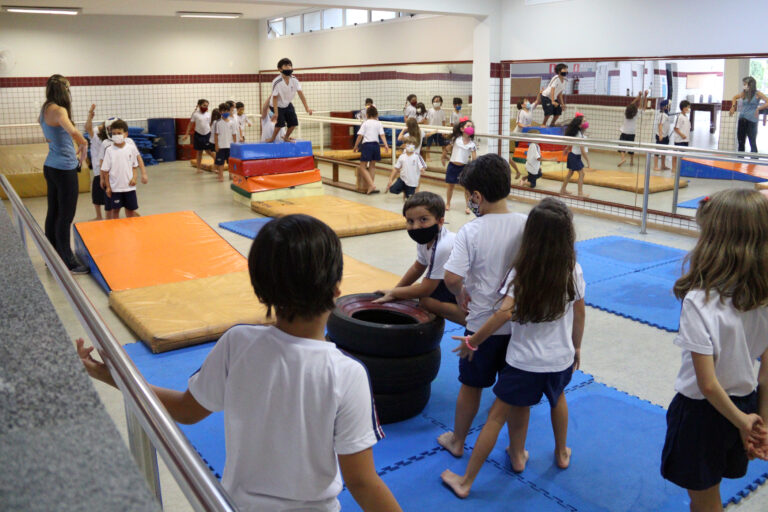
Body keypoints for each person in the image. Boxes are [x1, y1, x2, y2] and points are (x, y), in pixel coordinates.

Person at [76, 214, 403, 512]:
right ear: (336, 288)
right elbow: (362, 482)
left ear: (261, 291)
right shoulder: (347, 374)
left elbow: (187, 411)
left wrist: (114, 377)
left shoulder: (238, 343)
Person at [441, 197, 585, 498]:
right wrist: (576, 347)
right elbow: (580, 311)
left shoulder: (523, 273)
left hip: (524, 363)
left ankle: (465, 482)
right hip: (560, 358)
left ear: (530, 235)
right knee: (558, 399)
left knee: (496, 417)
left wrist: (473, 341)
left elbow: (503, 314)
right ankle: (561, 453)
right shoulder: (572, 269)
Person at [660, 189, 768, 511]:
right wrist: (759, 421)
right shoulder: (763, 298)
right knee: (709, 487)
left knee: (705, 497)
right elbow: (766, 374)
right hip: (744, 404)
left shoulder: (700, 301)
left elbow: (707, 384)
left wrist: (744, 423)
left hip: (703, 415)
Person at [437, 154, 528, 458]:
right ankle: (517, 453)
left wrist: (459, 292)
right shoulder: (527, 224)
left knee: (471, 386)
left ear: (476, 196)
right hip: (518, 327)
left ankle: (458, 441)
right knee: (516, 396)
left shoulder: (472, 230)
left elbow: (452, 277)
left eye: (468, 195)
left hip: (480, 328)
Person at [373, 192, 466, 325]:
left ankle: (475, 323)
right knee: (414, 291)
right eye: (410, 221)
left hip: (477, 292)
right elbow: (418, 267)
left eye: (423, 219)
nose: (416, 227)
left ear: (440, 221)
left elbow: (426, 289)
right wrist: (394, 291)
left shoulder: (443, 246)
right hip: (458, 285)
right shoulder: (426, 239)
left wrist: (395, 293)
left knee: (426, 301)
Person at [39, 74, 89, 274]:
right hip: (64, 169)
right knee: (65, 215)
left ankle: (51, 256)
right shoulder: (59, 110)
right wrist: (83, 144)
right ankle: (68, 261)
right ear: (64, 90)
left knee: (53, 212)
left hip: (51, 166)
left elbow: (53, 134)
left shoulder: (45, 108)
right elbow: (73, 132)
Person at [101, 119, 147, 220]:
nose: (116, 135)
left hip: (129, 188)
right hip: (115, 188)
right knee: (115, 211)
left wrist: (134, 178)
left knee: (130, 211)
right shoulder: (109, 150)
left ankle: (131, 228)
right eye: (114, 134)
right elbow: (105, 171)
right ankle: (116, 228)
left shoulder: (131, 148)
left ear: (126, 134)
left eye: (119, 133)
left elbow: (134, 167)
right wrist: (108, 187)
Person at [266, 58, 313, 143]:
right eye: (286, 66)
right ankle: (272, 138)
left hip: (287, 104)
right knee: (280, 124)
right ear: (280, 69)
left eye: (290, 65)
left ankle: (286, 137)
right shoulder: (276, 82)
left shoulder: (294, 80)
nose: (288, 67)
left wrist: (307, 108)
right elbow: (275, 97)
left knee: (293, 123)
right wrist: (276, 113)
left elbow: (301, 94)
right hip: (276, 105)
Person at [352, 105, 389, 194]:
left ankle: (371, 185)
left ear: (367, 114)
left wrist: (355, 146)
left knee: (362, 167)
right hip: (376, 145)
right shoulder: (378, 123)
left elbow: (360, 136)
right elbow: (382, 135)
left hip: (367, 145)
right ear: (376, 114)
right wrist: (386, 145)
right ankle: (370, 186)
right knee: (372, 166)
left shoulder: (365, 123)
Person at [444, 119, 477, 211]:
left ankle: (468, 206)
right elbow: (447, 149)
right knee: (450, 186)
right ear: (462, 129)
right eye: (468, 126)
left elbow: (474, 158)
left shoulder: (472, 144)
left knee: (467, 189)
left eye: (472, 126)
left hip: (464, 168)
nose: (470, 128)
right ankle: (448, 203)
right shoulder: (456, 140)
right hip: (452, 166)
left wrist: (474, 169)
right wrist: (443, 157)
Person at [729, 76, 768, 153]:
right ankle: (740, 158)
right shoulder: (744, 93)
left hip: (752, 120)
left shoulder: (757, 93)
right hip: (742, 119)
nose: (744, 86)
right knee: (741, 142)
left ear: (750, 84)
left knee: (752, 142)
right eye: (743, 84)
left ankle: (754, 159)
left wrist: (758, 108)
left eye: (745, 84)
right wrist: (733, 107)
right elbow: (734, 97)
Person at [560, 114, 592, 197]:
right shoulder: (578, 134)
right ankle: (580, 193)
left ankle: (563, 190)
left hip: (573, 155)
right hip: (574, 156)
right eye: (584, 121)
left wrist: (567, 148)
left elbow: (572, 141)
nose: (585, 122)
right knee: (582, 174)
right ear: (579, 123)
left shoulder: (578, 132)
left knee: (570, 173)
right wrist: (588, 161)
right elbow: (582, 151)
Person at [84, 104, 105, 220]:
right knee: (96, 195)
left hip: (107, 170)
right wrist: (90, 115)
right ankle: (99, 216)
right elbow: (88, 127)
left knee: (115, 192)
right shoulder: (95, 137)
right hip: (98, 170)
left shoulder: (108, 139)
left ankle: (129, 210)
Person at [617, 91, 648, 167]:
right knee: (631, 147)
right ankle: (631, 161)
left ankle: (623, 159)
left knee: (621, 146)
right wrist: (645, 96)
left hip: (624, 132)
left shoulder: (626, 113)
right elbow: (643, 106)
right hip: (632, 133)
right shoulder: (636, 115)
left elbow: (631, 104)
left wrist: (638, 96)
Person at [185, 99, 215, 174]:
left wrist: (213, 134)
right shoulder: (195, 114)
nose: (205, 107)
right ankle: (198, 168)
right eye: (204, 105)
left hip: (207, 134)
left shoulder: (208, 114)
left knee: (209, 151)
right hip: (198, 134)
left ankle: (216, 165)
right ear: (199, 105)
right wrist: (186, 134)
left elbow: (211, 124)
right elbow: (190, 124)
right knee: (199, 152)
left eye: (207, 106)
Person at [214, 103, 236, 182]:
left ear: (229, 111)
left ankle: (231, 174)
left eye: (227, 111)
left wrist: (235, 145)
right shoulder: (218, 123)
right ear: (220, 112)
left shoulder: (232, 122)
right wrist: (216, 145)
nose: (225, 112)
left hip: (230, 146)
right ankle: (221, 175)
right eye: (223, 111)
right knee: (221, 162)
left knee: (230, 162)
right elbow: (216, 135)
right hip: (221, 146)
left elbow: (234, 134)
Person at [425, 95, 448, 163]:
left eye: (437, 101)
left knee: (443, 145)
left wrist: (444, 131)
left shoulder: (442, 112)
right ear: (432, 102)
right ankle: (428, 157)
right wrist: (427, 131)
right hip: (431, 130)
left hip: (439, 130)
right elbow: (426, 120)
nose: (436, 102)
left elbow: (443, 122)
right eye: (435, 101)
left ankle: (443, 156)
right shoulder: (429, 111)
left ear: (441, 102)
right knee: (428, 145)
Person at [670, 100, 691, 171]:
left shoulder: (686, 117)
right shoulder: (680, 117)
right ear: (684, 108)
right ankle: (673, 168)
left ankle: (680, 168)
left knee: (682, 155)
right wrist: (682, 135)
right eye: (688, 107)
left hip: (685, 140)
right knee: (676, 154)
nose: (689, 109)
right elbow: (676, 128)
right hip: (679, 140)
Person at [653, 99, 672, 171]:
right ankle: (655, 166)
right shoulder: (662, 115)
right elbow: (660, 125)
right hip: (661, 136)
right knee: (657, 152)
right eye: (669, 105)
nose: (669, 107)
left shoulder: (665, 115)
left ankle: (663, 165)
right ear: (665, 106)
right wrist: (660, 135)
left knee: (664, 151)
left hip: (665, 136)